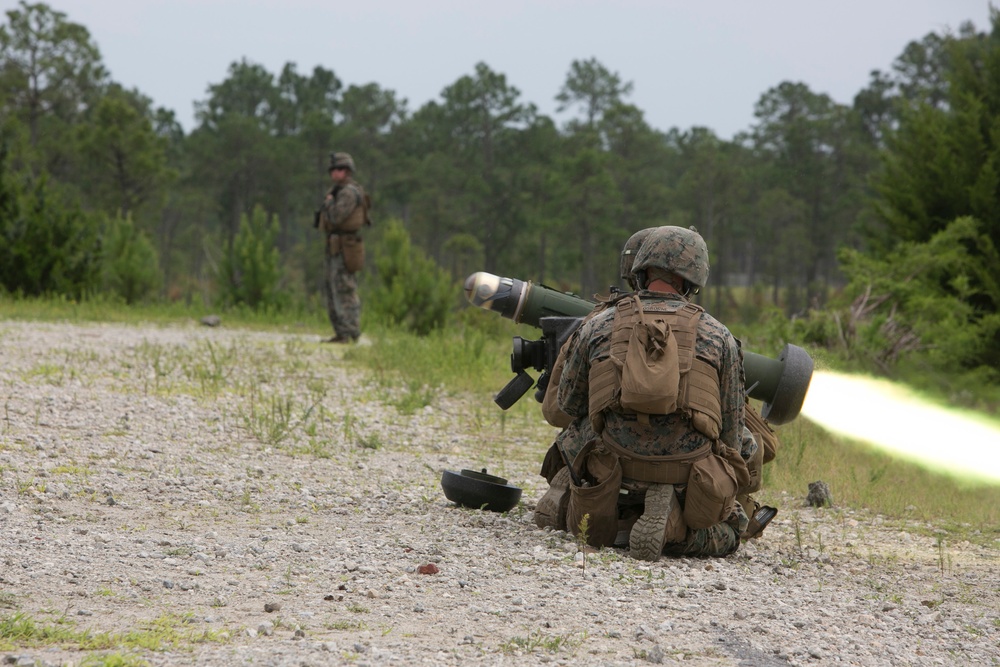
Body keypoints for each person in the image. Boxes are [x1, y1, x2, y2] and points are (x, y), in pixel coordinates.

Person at [556, 226, 755, 560]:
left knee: (576, 432)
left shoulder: (599, 325)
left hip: (614, 468)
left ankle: (595, 510)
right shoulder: (718, 335)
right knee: (734, 529)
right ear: (693, 277)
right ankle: (675, 531)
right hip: (688, 476)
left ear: (642, 270)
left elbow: (568, 404)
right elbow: (732, 433)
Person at [534, 227, 659, 530]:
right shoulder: (713, 333)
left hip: (604, 458)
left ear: (633, 272)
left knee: (582, 424)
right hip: (683, 468)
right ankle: (675, 520)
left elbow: (558, 409)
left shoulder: (598, 323)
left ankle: (574, 493)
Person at [315, 152, 371, 343]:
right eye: (332, 169)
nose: (333, 173)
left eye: (338, 169)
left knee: (344, 288)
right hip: (336, 245)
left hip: (346, 247)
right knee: (333, 287)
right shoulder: (339, 190)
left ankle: (350, 331)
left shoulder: (348, 192)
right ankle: (341, 332)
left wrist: (329, 205)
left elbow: (337, 217)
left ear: (346, 171)